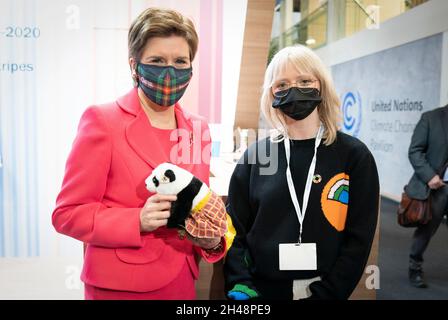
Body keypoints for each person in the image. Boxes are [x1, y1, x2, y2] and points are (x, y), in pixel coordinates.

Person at [52, 7, 226, 300]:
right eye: (157, 60)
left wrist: (210, 241)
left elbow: (198, 202)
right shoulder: (102, 121)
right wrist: (136, 220)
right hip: (121, 285)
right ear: (135, 65)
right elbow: (67, 214)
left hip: (182, 280)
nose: (170, 71)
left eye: (180, 61)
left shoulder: (199, 128)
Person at [223, 45, 380, 300]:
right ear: (271, 94)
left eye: (305, 80)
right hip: (260, 291)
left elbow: (358, 240)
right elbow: (233, 230)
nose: (293, 90)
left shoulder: (354, 156)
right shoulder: (257, 156)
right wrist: (242, 286)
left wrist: (328, 294)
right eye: (282, 84)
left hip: (323, 289)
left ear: (321, 86)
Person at [406, 105, 448, 288]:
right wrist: (430, 176)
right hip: (438, 188)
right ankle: (414, 267)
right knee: (426, 230)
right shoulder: (431, 118)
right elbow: (415, 151)